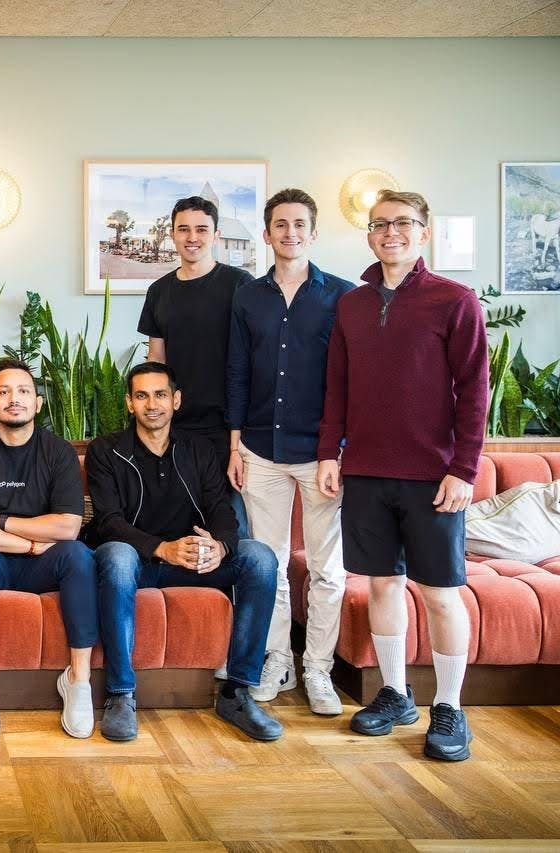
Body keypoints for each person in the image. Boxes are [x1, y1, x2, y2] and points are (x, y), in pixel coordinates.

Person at [318, 189, 488, 762]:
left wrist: (464, 469)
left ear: (425, 232)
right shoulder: (352, 304)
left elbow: (474, 395)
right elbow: (336, 387)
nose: (390, 232)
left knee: (441, 594)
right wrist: (327, 455)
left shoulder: (455, 300)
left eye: (403, 223)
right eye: (380, 224)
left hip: (433, 476)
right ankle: (395, 693)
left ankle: (450, 706)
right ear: (369, 235)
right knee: (382, 586)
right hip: (364, 471)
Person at [85, 362, 282, 742]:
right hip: (136, 563)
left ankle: (237, 692)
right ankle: (121, 694)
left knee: (259, 558)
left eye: (160, 395)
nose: (152, 404)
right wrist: (162, 549)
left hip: (192, 562)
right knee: (115, 555)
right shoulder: (106, 451)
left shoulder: (199, 450)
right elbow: (109, 520)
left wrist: (219, 547)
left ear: (176, 400)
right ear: (129, 403)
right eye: (141, 396)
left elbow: (222, 511)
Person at [226, 188, 354, 715]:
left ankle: (318, 671)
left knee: (327, 569)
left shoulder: (341, 297)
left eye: (299, 223)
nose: (290, 232)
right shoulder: (248, 297)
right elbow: (237, 371)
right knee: (269, 566)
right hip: (259, 449)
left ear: (314, 232)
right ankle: (276, 660)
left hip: (321, 454)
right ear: (267, 233)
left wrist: (338, 450)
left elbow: (348, 381)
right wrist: (234, 443)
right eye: (280, 224)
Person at [0, 358, 98, 739]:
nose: (14, 399)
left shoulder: (58, 451)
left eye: (23, 391)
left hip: (45, 561)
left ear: (38, 402)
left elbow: (68, 525)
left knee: (80, 556)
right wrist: (30, 544)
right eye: (4, 392)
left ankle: (78, 680)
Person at [138, 195, 255, 537]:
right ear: (172, 234)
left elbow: (253, 356)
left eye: (202, 229)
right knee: (181, 521)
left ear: (216, 234)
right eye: (183, 229)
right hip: (177, 429)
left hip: (230, 427)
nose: (192, 237)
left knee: (233, 526)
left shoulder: (239, 284)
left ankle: (236, 589)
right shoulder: (159, 291)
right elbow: (155, 360)